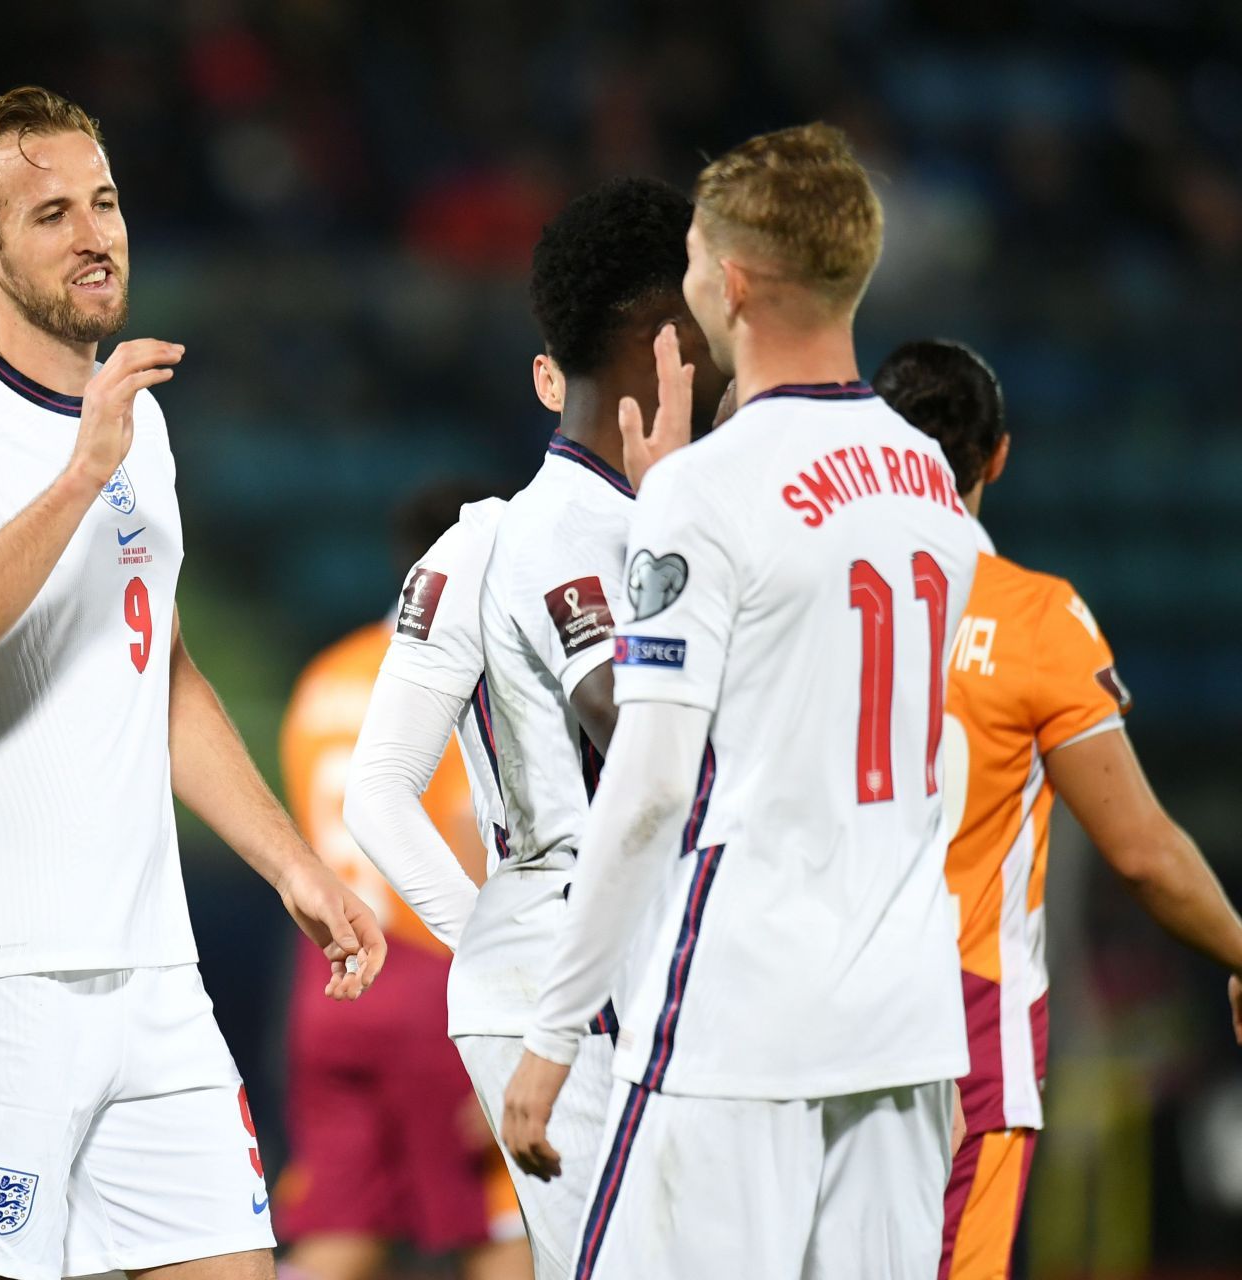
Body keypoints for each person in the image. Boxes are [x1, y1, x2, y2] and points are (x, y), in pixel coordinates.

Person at [0, 85, 385, 1280]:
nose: (95, 234)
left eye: (105, 201)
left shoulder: (137, 423)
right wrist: (82, 469)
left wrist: (295, 860)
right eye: (50, 215)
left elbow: (162, 663)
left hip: (151, 968)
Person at [503, 123, 981, 1279]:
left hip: (737, 1024)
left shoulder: (700, 493)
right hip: (904, 1025)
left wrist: (553, 1030)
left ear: (729, 281)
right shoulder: (933, 481)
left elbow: (656, 778)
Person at [346, 178, 726, 1279]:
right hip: (581, 950)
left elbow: (378, 789)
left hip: (581, 948)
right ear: (669, 338)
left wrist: (494, 945)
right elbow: (632, 721)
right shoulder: (573, 525)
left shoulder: (498, 536)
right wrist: (512, 950)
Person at [871, 338, 1242, 1280]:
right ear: (998, 457)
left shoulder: (802, 604)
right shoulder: (1036, 620)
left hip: (815, 997)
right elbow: (1142, 852)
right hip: (967, 1010)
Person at [275, 484, 528, 1280]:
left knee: (341, 1225)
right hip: (435, 983)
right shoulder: (460, 679)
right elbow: (469, 843)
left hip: (333, 982)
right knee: (503, 1219)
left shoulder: (325, 677)